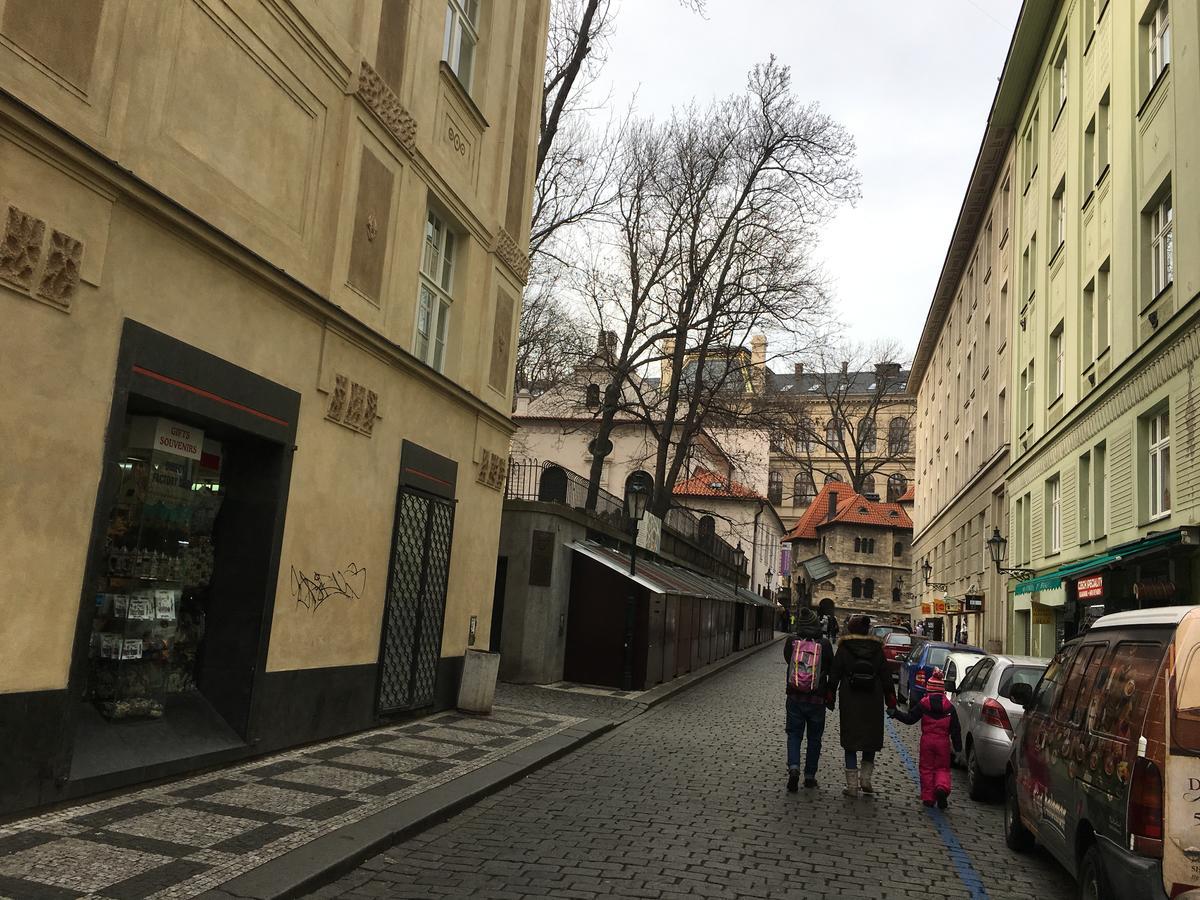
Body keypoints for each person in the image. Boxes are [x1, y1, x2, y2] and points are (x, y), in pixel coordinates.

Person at [828, 614, 896, 797]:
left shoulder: (844, 648)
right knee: (869, 739)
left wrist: (830, 696)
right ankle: (865, 780)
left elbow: (834, 673)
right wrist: (891, 700)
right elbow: (886, 676)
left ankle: (851, 786)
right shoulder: (877, 649)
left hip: (850, 698)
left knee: (850, 740)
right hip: (873, 699)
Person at [889, 668, 962, 808]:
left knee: (926, 768)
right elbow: (956, 729)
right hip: (943, 743)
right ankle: (941, 787)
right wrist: (958, 747)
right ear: (942, 691)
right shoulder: (950, 708)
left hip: (927, 742)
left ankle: (928, 798)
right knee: (942, 768)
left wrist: (895, 713)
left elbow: (910, 719)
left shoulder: (923, 704)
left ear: (929, 690)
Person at [783, 608, 834, 791]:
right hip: (817, 699)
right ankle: (810, 776)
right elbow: (830, 667)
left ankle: (794, 767)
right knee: (814, 738)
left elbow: (788, 660)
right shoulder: (825, 644)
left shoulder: (792, 641)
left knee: (794, 734)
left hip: (795, 696)